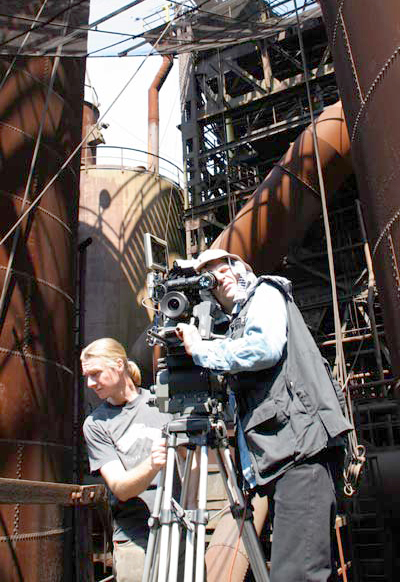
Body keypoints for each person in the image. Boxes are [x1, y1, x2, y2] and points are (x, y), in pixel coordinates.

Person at [175, 249, 352, 582]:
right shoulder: (232, 329)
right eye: (209, 274)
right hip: (283, 458)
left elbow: (265, 348)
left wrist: (202, 350)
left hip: (302, 454)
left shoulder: (265, 293)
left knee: (296, 575)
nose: (220, 275)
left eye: (225, 266)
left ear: (245, 268)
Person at [81, 337, 174, 582]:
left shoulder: (163, 403)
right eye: (87, 376)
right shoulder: (96, 425)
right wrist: (153, 464)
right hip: (134, 536)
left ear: (119, 365)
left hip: (178, 528)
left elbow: (192, 462)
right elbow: (121, 488)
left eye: (96, 374)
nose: (90, 383)